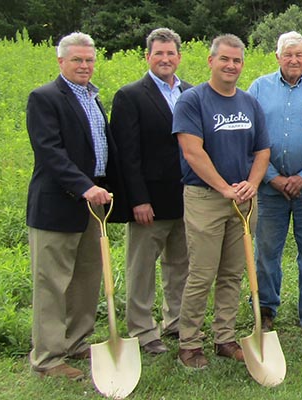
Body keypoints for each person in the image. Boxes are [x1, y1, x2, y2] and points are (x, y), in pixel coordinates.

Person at [173, 34, 271, 369]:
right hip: (205, 198)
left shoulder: (249, 103)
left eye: (237, 60)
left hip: (243, 200)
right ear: (211, 61)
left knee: (232, 273)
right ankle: (189, 342)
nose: (231, 66)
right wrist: (223, 188)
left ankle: (224, 337)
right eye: (225, 59)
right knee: (201, 273)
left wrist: (251, 185)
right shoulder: (192, 100)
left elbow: (262, 151)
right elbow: (191, 150)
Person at [25, 31, 117, 380]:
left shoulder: (92, 98)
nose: (84, 65)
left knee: (87, 278)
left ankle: (77, 342)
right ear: (61, 61)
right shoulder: (45, 98)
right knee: (52, 283)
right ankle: (47, 357)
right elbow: (50, 152)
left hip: (92, 206)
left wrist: (104, 189)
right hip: (57, 206)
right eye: (77, 59)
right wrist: (85, 187)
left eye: (89, 59)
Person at [109, 27, 192, 355]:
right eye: (159, 53)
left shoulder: (190, 92)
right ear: (148, 57)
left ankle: (177, 322)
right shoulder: (130, 96)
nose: (165, 59)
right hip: (149, 202)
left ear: (179, 57)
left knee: (181, 265)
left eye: (171, 53)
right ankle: (143, 330)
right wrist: (138, 200)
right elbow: (126, 155)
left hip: (186, 197)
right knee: (141, 268)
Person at [249, 31, 302, 337]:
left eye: (299, 54)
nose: (294, 60)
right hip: (268, 188)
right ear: (277, 57)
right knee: (266, 251)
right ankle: (265, 311)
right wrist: (272, 177)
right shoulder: (258, 88)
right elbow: (251, 137)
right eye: (288, 54)